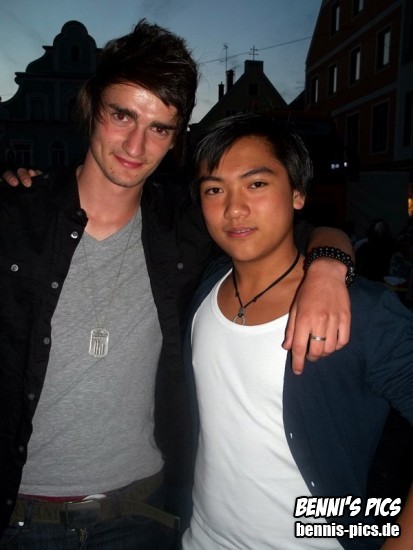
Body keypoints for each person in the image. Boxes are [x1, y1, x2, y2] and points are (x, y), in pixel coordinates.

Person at [0, 21, 354, 550]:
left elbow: (294, 228)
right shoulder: (14, 215)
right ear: (91, 106)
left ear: (176, 136)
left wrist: (328, 265)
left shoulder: (185, 224)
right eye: (122, 115)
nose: (136, 144)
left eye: (160, 128)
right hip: (21, 519)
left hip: (142, 514)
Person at [181, 113, 413, 549]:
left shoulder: (362, 312)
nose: (233, 208)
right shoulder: (205, 286)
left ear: (298, 193)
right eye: (214, 189)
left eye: (256, 183)